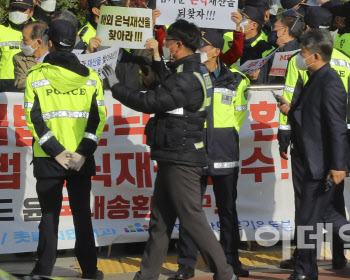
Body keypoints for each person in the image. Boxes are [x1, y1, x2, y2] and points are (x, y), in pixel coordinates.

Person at [102, 19, 237, 280]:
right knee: (160, 222)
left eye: (168, 42)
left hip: (182, 156)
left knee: (192, 218)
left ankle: (225, 273)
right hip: (173, 153)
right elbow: (168, 96)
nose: (165, 46)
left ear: (178, 45)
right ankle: (147, 275)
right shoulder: (189, 73)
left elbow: (151, 102)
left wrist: (116, 86)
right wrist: (155, 79)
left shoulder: (187, 78)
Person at [285, 29, 350, 280]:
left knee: (308, 217)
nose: (299, 56)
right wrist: (291, 110)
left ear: (315, 55)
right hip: (309, 156)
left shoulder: (330, 81)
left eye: (302, 52)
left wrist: (337, 165)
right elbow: (311, 116)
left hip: (322, 161)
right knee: (320, 214)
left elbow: (337, 126)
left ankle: (305, 271)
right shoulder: (314, 77)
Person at [24, 19, 106, 279]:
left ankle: (43, 271)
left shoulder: (36, 76)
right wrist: (81, 153)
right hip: (81, 160)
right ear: (74, 45)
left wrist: (56, 152)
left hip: (49, 159)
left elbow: (33, 119)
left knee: (49, 217)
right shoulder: (92, 78)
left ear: (49, 43)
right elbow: (98, 119)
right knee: (82, 214)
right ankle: (90, 270)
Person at [172, 30, 250, 280]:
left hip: (225, 151)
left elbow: (240, 115)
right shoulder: (186, 76)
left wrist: (224, 136)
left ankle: (231, 261)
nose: (198, 50)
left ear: (216, 51)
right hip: (193, 153)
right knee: (190, 210)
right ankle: (186, 264)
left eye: (203, 47)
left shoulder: (237, 79)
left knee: (228, 209)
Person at [0, 0, 35, 91]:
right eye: (13, 9)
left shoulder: (39, 29)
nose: (17, 12)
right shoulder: (1, 30)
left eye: (21, 9)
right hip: (4, 83)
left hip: (32, 81)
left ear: (31, 12)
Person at [237, 6, 275, 84]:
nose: (238, 21)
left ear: (253, 25)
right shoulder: (233, 40)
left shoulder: (265, 48)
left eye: (243, 18)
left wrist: (255, 76)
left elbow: (267, 77)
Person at [14, 21, 48, 91]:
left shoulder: (58, 57)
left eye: (25, 39)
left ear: (38, 42)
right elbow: (20, 83)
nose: (22, 42)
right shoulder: (19, 58)